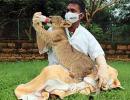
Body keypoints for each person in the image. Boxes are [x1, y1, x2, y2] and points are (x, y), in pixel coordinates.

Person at [34, 0, 109, 86]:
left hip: (77, 70)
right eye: (67, 10)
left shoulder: (86, 34)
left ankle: (74, 84)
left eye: (72, 11)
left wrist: (103, 68)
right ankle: (81, 85)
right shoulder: (55, 29)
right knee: (49, 72)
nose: (68, 13)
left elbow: (98, 54)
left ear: (81, 16)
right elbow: (41, 49)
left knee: (108, 70)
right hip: (56, 70)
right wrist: (38, 26)